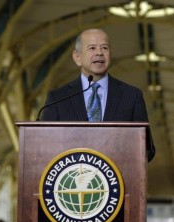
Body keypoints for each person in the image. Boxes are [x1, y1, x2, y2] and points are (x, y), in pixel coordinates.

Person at [41, 28, 155, 161]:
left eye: (104, 48)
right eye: (92, 48)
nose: (99, 53)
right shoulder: (57, 99)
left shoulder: (131, 96)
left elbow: (147, 148)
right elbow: (44, 146)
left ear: (110, 55)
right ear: (77, 57)